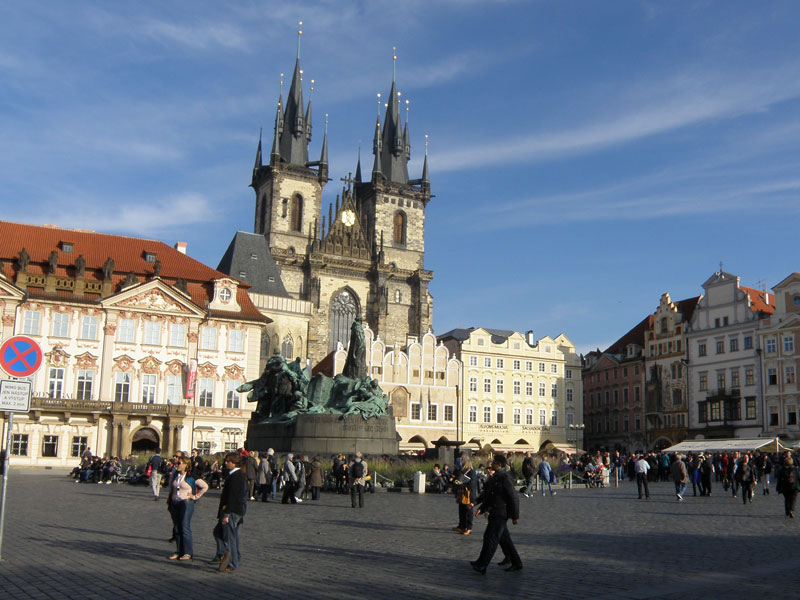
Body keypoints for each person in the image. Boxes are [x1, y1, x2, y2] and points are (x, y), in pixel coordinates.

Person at [470, 455, 522, 574]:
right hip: (495, 511)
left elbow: (513, 497)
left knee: (491, 539)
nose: (491, 464)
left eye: (493, 463)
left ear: (498, 464)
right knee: (503, 539)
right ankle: (516, 562)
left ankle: (482, 565)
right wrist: (481, 508)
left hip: (501, 513)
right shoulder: (497, 477)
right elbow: (489, 496)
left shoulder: (504, 477)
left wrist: (515, 516)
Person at [167, 456, 207, 561]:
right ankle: (179, 551)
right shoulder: (176, 475)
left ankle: (187, 552)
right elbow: (171, 488)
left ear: (186, 464)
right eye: (176, 463)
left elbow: (204, 486)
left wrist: (195, 496)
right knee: (177, 527)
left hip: (186, 503)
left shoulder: (191, 476)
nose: (177, 465)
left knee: (184, 527)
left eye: (179, 463)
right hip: (175, 503)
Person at [212, 453, 247, 573]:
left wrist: (226, 514)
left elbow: (232, 497)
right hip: (233, 510)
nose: (225, 463)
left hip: (231, 511)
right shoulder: (235, 475)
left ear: (234, 463)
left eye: (228, 461)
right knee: (227, 534)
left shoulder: (236, 476)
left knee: (230, 537)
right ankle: (234, 556)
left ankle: (232, 562)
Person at [454, 459, 479, 535]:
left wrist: (463, 484)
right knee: (461, 510)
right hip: (462, 493)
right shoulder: (463, 472)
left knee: (468, 511)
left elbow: (472, 484)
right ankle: (462, 526)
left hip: (469, 494)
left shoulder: (471, 472)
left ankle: (469, 527)